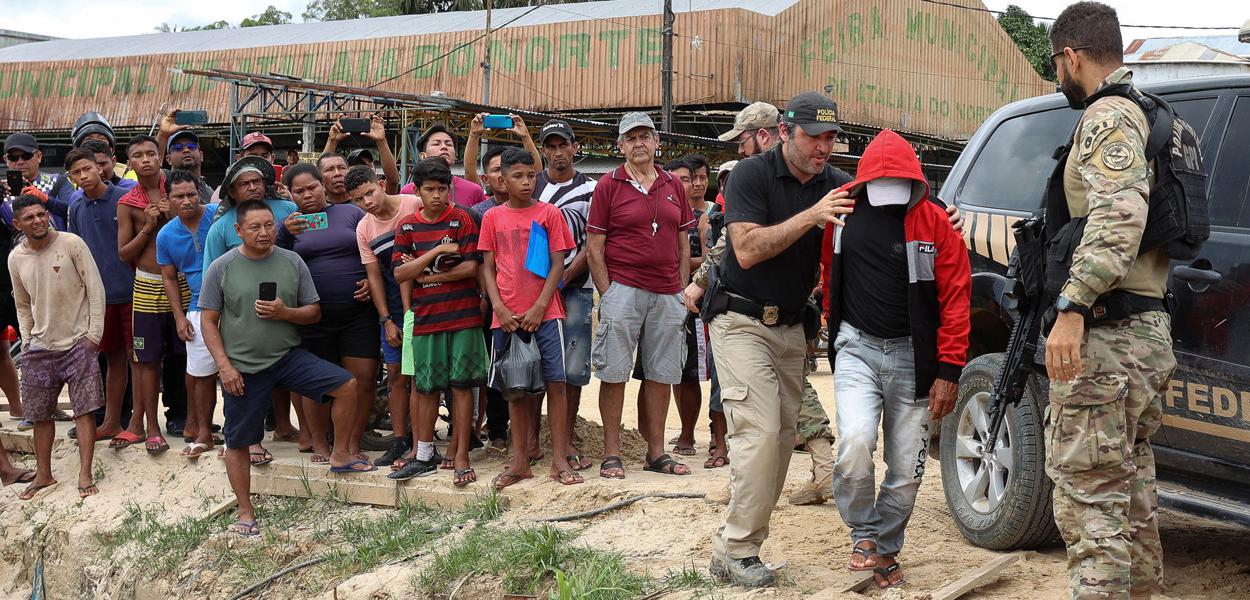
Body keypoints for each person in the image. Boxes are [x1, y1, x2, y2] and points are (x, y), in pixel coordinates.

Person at [1046, 4, 1176, 598]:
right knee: (1133, 489)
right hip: (1145, 334)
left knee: (1089, 496)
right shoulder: (1157, 116)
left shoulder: (1108, 116)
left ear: (1072, 55)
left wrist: (1072, 307)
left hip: (1107, 334)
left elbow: (1120, 217)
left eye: (1057, 65)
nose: (1058, 79)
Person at [705, 92, 855, 587]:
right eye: (815, 136)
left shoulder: (836, 182)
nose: (824, 146)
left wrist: (946, 216)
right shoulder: (752, 174)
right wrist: (812, 216)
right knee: (762, 432)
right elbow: (745, 250)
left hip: (793, 328)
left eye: (831, 137)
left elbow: (890, 208)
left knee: (781, 438)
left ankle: (737, 549)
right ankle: (739, 548)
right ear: (787, 133)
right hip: (741, 321)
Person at [823, 130, 970, 589]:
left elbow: (957, 299)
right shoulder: (840, 212)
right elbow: (827, 273)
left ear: (915, 183)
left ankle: (886, 550)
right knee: (854, 442)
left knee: (907, 470)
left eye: (900, 188)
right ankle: (864, 535)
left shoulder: (938, 222)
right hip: (857, 347)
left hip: (914, 356)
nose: (891, 197)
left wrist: (949, 370)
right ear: (864, 182)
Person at [199, 200, 365, 536]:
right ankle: (245, 512)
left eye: (269, 226)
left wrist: (284, 313)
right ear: (238, 231)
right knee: (238, 441)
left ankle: (341, 453)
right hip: (243, 367)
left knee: (346, 386)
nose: (264, 233)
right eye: (255, 227)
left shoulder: (292, 261)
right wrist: (224, 367)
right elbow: (208, 320)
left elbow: (313, 312)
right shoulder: (222, 266)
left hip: (287, 357)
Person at [587, 112, 693, 479]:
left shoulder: (672, 184)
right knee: (614, 371)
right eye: (630, 138)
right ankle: (612, 454)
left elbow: (683, 241)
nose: (639, 144)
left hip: (667, 292)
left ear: (656, 141)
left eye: (645, 136)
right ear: (620, 146)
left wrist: (681, 291)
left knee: (662, 373)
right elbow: (594, 246)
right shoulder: (608, 184)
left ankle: (656, 453)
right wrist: (608, 292)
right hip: (624, 288)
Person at [479, 148, 578, 489]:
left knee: (556, 384)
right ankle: (519, 460)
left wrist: (540, 306)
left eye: (530, 176)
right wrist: (500, 309)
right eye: (517, 176)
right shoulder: (493, 217)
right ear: (501, 180)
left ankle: (560, 459)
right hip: (506, 318)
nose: (525, 182)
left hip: (546, 314)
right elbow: (488, 269)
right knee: (515, 389)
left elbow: (557, 264)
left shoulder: (549, 214)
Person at [389, 159, 487, 485]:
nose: (437, 195)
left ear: (450, 189)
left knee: (461, 386)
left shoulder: (462, 219)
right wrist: (433, 256)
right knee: (426, 387)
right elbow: (400, 274)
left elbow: (471, 268)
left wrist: (425, 275)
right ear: (416, 191)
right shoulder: (405, 226)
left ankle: (460, 455)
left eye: (442, 189)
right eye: (429, 189)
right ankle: (423, 454)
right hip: (426, 317)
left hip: (463, 315)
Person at [277, 163, 377, 465]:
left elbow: (375, 250)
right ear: (290, 194)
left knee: (364, 379)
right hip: (313, 316)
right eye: (299, 191)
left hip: (358, 313)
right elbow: (276, 261)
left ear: (324, 186)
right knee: (315, 382)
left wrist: (371, 284)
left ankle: (350, 443)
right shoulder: (288, 224)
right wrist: (283, 233)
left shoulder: (351, 214)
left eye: (312, 187)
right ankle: (320, 443)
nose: (307, 195)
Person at [202, 156, 301, 462]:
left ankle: (289, 427)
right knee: (247, 379)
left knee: (291, 367)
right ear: (231, 191)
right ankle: (246, 439)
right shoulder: (221, 227)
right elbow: (212, 279)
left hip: (291, 302)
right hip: (242, 315)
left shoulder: (287, 210)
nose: (253, 187)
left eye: (257, 180)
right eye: (245, 183)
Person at [8, 195, 106, 500]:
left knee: (84, 411)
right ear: (17, 224)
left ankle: (85, 473)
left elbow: (95, 288)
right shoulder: (15, 258)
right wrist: (26, 340)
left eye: (41, 214)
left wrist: (94, 336)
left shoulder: (71, 243)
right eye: (30, 218)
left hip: (79, 342)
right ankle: (44, 475)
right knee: (40, 415)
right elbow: (22, 305)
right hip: (39, 345)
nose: (38, 221)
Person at [346, 165, 422, 467]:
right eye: (358, 199)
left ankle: (423, 440)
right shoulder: (364, 228)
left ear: (380, 184)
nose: (367, 202)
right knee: (396, 376)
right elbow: (374, 276)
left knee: (423, 377)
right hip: (392, 308)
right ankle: (400, 440)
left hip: (429, 301)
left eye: (369, 193)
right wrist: (385, 319)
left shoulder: (411, 204)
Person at [116, 134, 187, 454]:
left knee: (187, 355)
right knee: (147, 361)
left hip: (183, 281)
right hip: (146, 285)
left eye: (150, 153)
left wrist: (171, 213)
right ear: (129, 163)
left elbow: (194, 230)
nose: (145, 159)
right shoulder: (127, 202)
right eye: (138, 156)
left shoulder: (180, 191)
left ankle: (194, 421)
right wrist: (148, 225)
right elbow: (123, 253)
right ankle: (152, 428)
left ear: (161, 158)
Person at [535, 119, 597, 471]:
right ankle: (532, 440)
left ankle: (568, 438)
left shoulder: (591, 189)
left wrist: (567, 276)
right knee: (534, 366)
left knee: (572, 369)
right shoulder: (531, 185)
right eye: (551, 146)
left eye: (564, 145)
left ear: (575, 146)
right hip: (533, 290)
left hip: (575, 289)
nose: (558, 152)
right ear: (543, 150)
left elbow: (593, 241)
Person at [65, 147, 137, 442]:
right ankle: (110, 422)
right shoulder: (77, 207)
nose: (83, 176)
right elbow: (79, 254)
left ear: (100, 167)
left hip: (134, 291)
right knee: (113, 358)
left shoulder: (124, 198)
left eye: (87, 169)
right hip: (100, 297)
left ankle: (139, 422)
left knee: (140, 360)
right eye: (76, 173)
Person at [156, 170, 219, 457]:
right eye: (179, 196)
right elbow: (169, 278)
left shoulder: (218, 215)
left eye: (191, 194)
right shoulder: (166, 235)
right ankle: (204, 431)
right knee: (201, 373)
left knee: (240, 371)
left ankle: (240, 434)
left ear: (199, 193)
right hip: (197, 308)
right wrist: (179, 317)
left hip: (233, 304)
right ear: (167, 199)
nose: (186, 201)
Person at [399, 123, 486, 208]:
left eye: (449, 144)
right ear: (423, 156)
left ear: (455, 156)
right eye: (436, 144)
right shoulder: (408, 191)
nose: (444, 147)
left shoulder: (473, 190)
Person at [2, 133, 69, 236]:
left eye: (26, 156)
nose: (20, 162)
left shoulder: (59, 180)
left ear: (39, 156)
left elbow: (74, 211)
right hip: (19, 250)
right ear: (6, 160)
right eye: (13, 158)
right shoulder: (3, 189)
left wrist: (46, 200)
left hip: (58, 247)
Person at [324, 114, 401, 195]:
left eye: (367, 166)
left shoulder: (379, 195)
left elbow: (393, 181)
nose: (362, 171)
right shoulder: (340, 195)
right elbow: (320, 177)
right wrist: (332, 141)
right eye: (357, 167)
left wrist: (381, 141)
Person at [156, 110, 214, 203]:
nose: (186, 150)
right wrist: (163, 134)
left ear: (201, 155)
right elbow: (152, 166)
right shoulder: (163, 180)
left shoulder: (210, 193)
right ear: (168, 159)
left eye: (192, 146)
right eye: (178, 147)